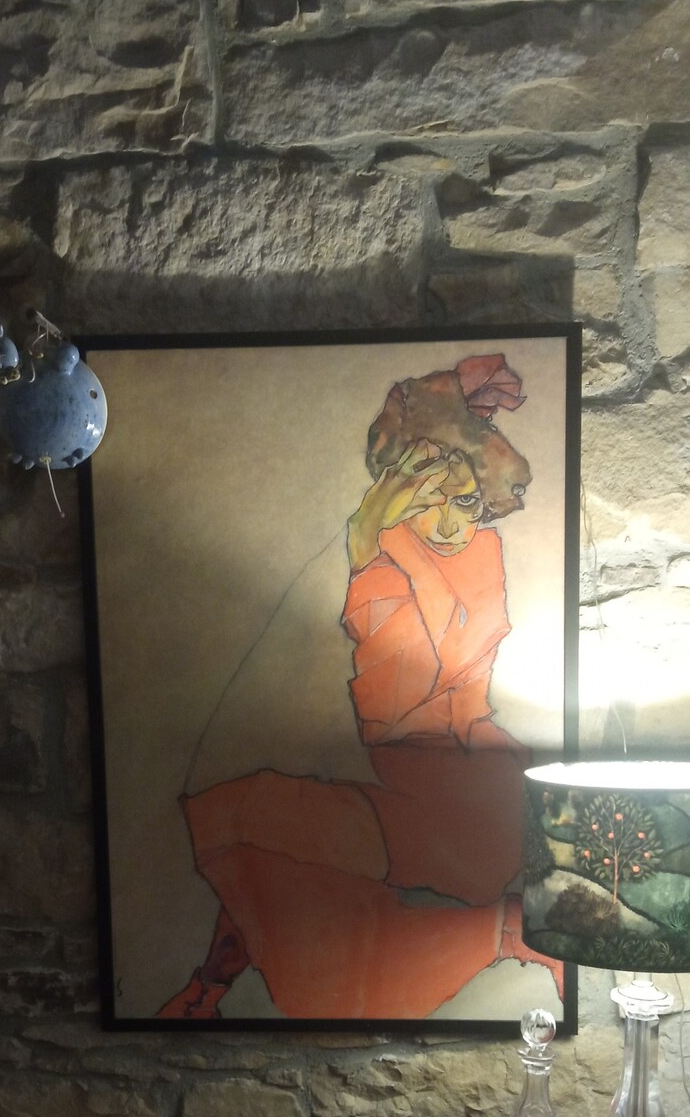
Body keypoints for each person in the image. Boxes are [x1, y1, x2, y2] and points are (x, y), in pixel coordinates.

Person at [159, 354, 561, 1019]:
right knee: (244, 819)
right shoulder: (393, 550)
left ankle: (504, 934)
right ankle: (211, 987)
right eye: (428, 500)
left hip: (458, 791)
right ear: (401, 491)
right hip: (421, 778)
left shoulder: (462, 558)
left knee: (243, 816)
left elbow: (410, 693)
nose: (450, 524)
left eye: (467, 502)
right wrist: (369, 542)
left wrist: (366, 545)